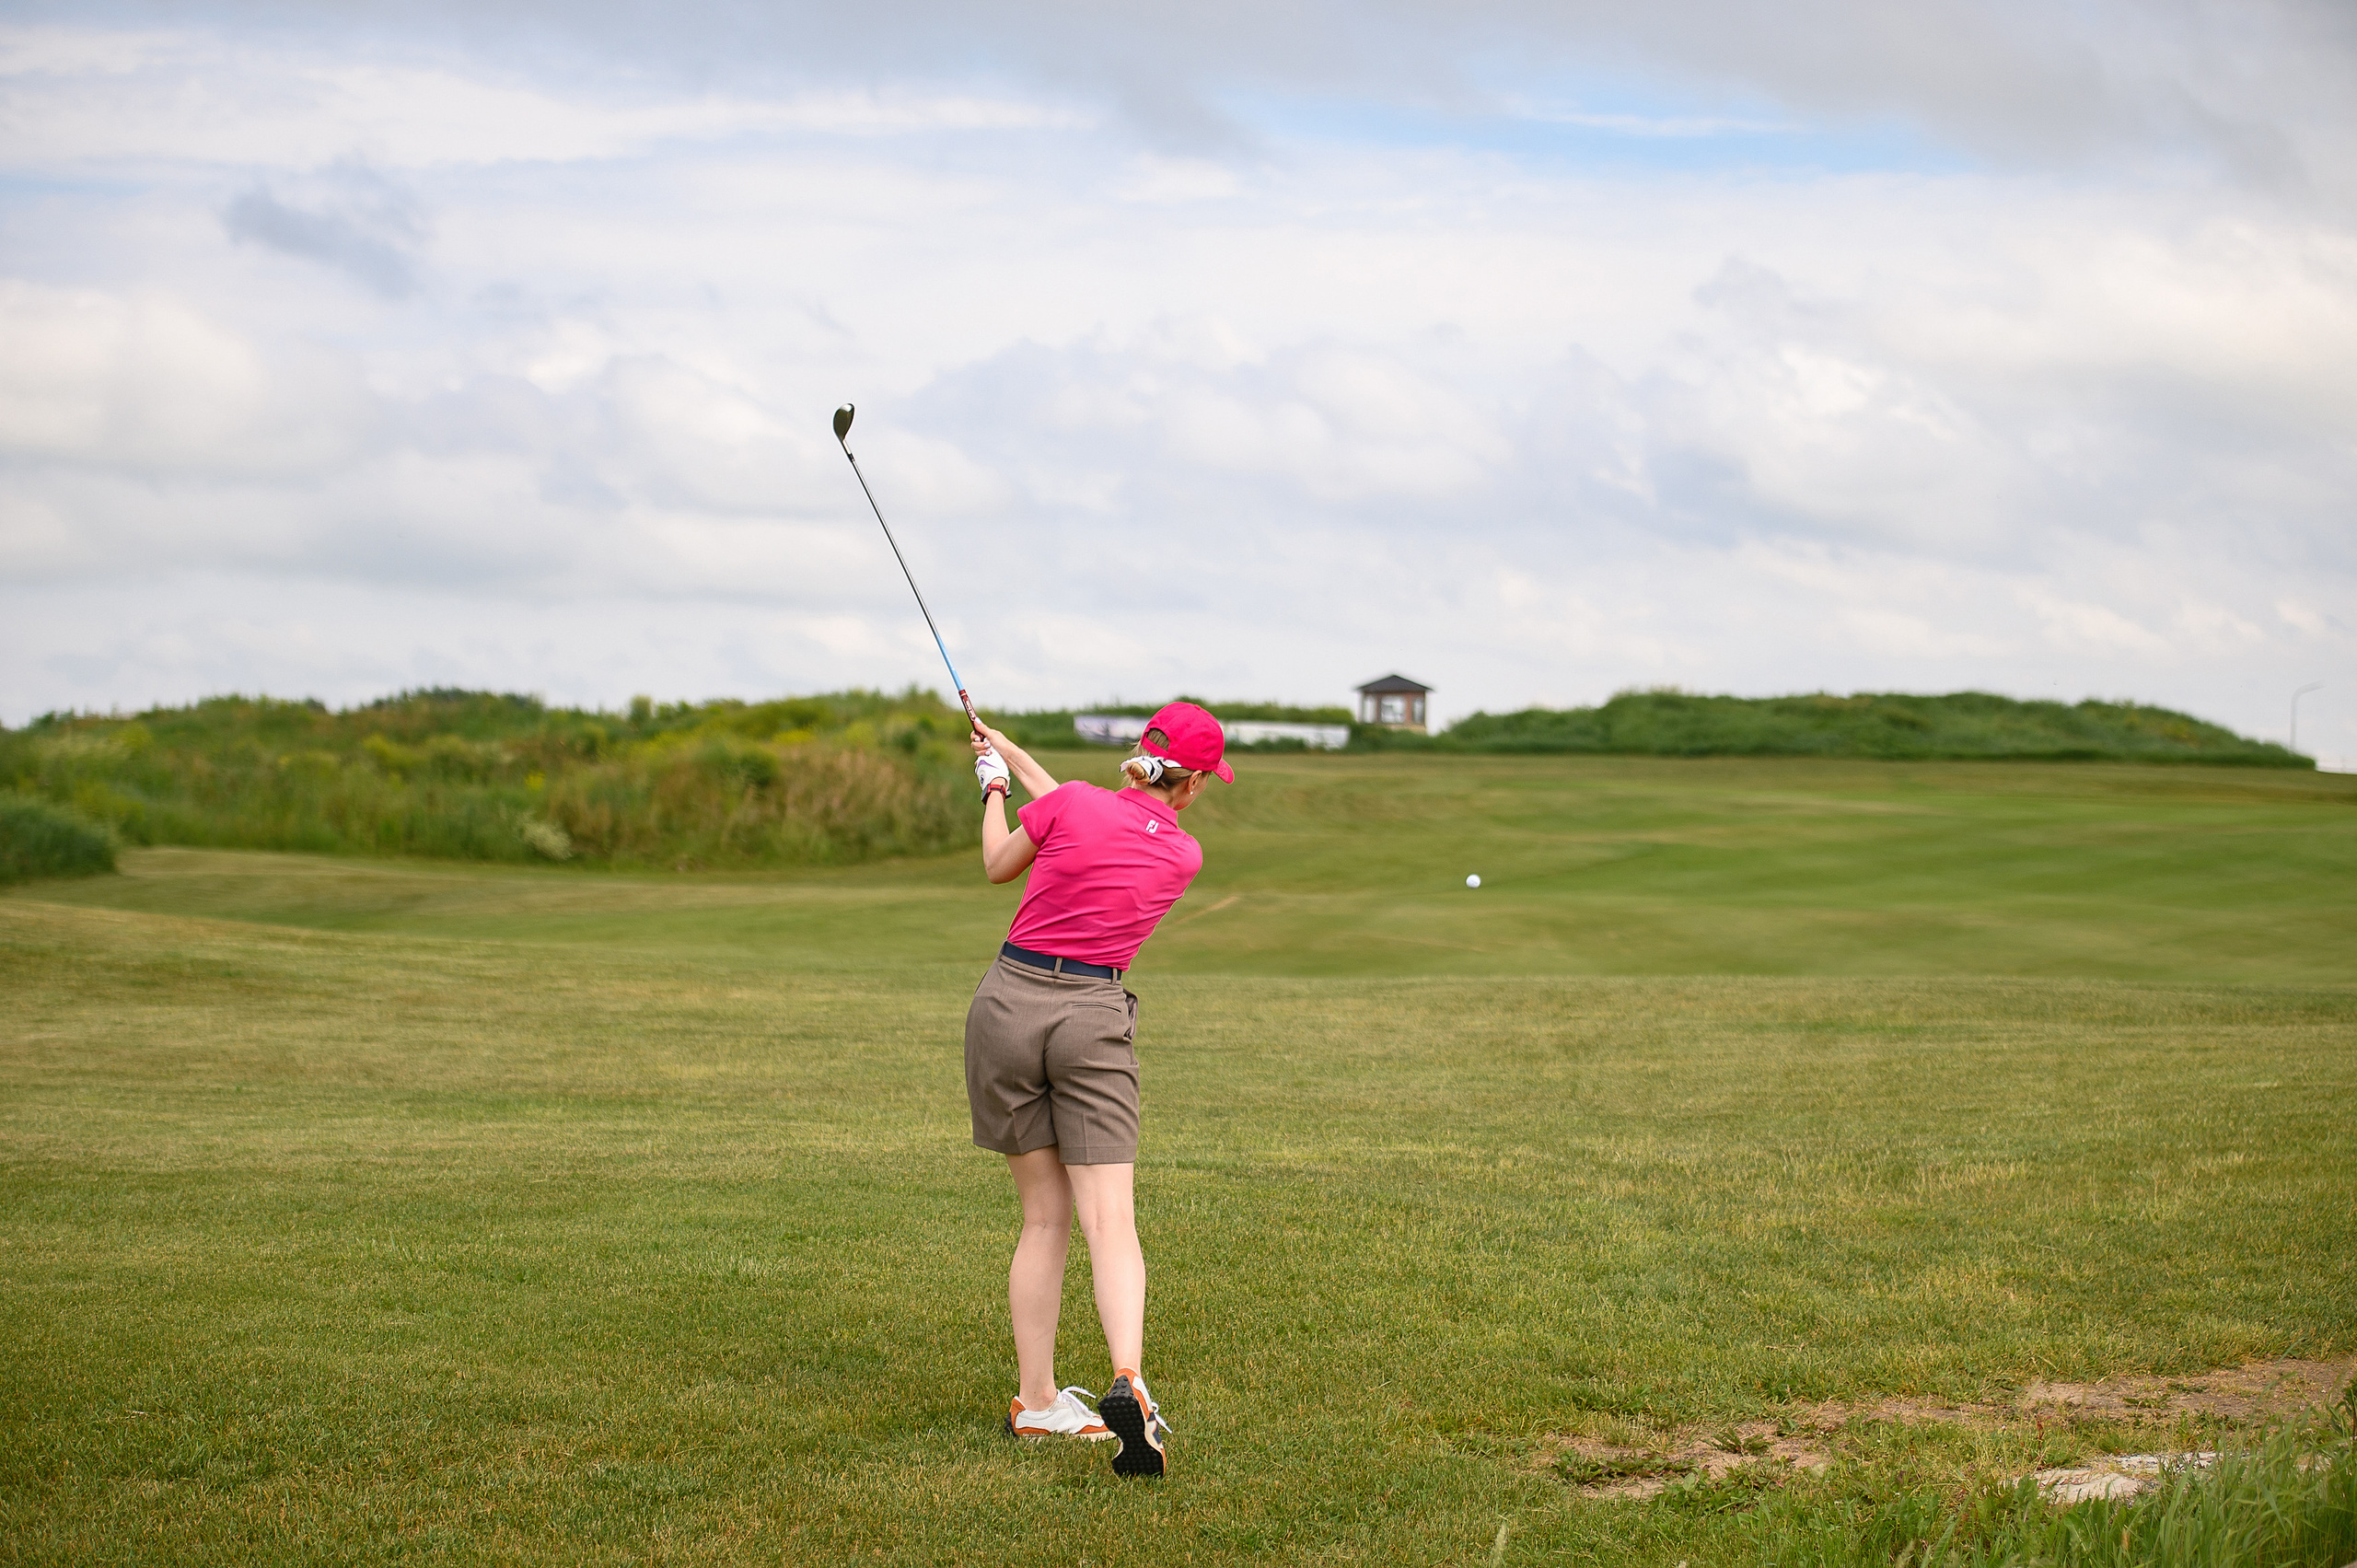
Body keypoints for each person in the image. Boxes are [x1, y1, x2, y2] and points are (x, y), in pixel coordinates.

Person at [962, 701, 1234, 1478]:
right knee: (1109, 1220)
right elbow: (1089, 818)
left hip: (1006, 1007)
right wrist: (1009, 751)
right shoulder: (1183, 855)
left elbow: (1005, 857)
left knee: (1044, 1218)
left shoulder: (1076, 801)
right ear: (1192, 786)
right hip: (1091, 1015)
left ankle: (1038, 1400)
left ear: (1137, 754)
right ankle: (1129, 1381)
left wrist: (992, 789)